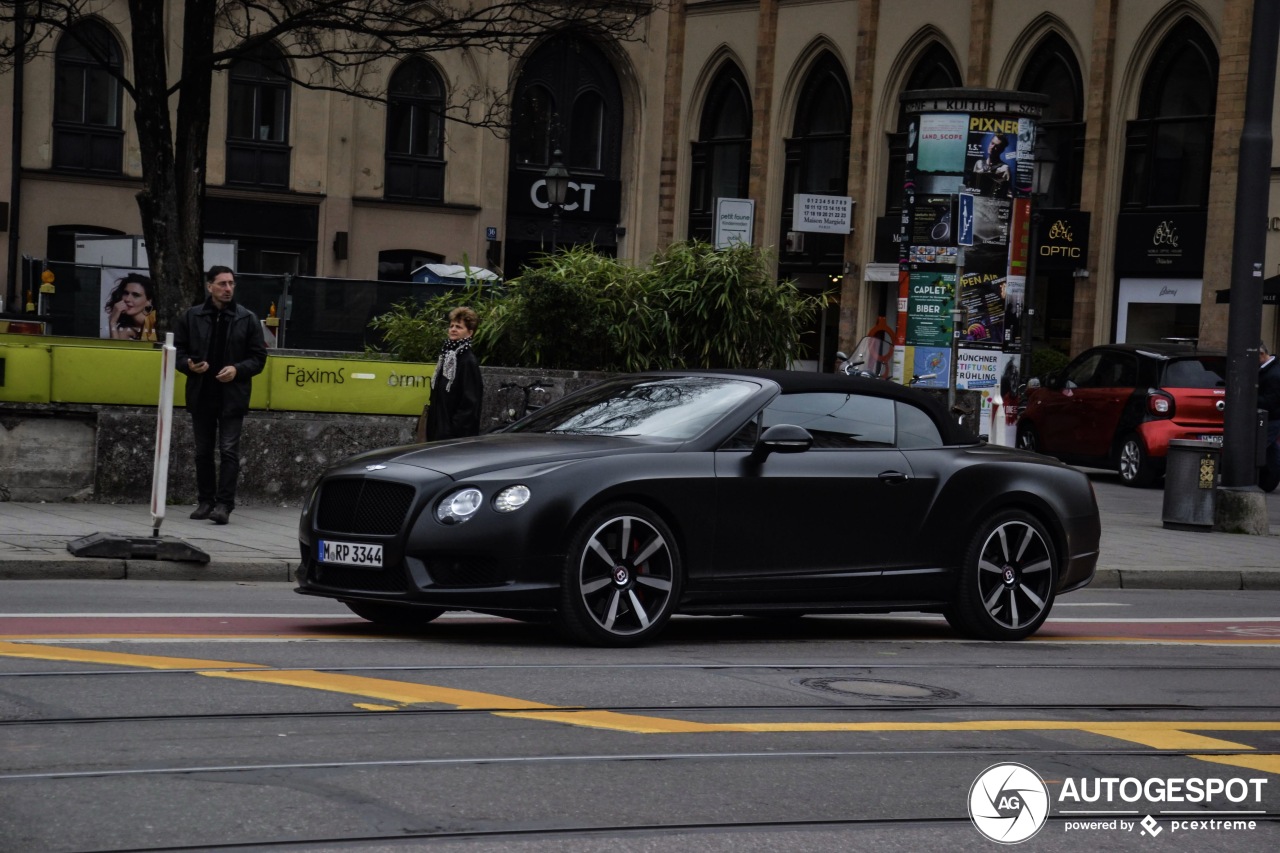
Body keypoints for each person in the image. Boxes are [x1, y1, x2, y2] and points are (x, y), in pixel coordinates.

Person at [174, 266, 268, 525]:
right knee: (203, 452)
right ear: (210, 286)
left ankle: (224, 505)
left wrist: (237, 370)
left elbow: (259, 358)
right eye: (222, 284)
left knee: (228, 451)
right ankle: (205, 501)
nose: (228, 289)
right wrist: (189, 366)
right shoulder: (192, 317)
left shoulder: (246, 318)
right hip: (202, 393)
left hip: (232, 396)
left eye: (231, 284)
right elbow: (177, 351)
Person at [425, 306, 483, 440]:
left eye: (459, 327)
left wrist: (453, 431)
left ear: (469, 333)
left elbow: (470, 402)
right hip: (438, 430)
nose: (453, 329)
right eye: (451, 326)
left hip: (453, 436)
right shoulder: (446, 356)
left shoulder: (467, 360)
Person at [104, 273, 157, 341]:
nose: (127, 299)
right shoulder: (125, 330)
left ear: (149, 301)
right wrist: (112, 322)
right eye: (126, 293)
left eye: (136, 295)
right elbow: (116, 351)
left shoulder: (156, 322)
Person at [1259, 341, 1280, 493]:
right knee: (1269, 449)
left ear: (1261, 354)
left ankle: (1267, 481)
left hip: (1271, 418)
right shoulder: (1269, 370)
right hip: (1270, 417)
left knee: (1262, 448)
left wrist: (1250, 395)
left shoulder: (1273, 374)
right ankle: (1267, 482)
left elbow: (1270, 402)